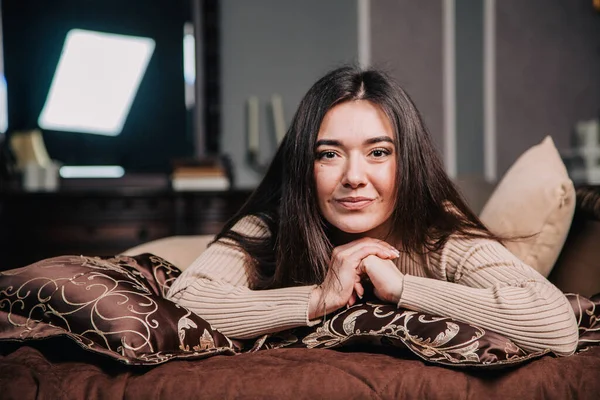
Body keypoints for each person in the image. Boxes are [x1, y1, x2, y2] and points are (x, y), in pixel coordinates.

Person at [166, 66, 578, 356]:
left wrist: (402, 288)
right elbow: (183, 301)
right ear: (304, 168)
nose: (354, 177)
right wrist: (318, 297)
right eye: (329, 154)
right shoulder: (271, 225)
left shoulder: (440, 235)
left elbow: (556, 325)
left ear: (408, 161)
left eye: (378, 152)